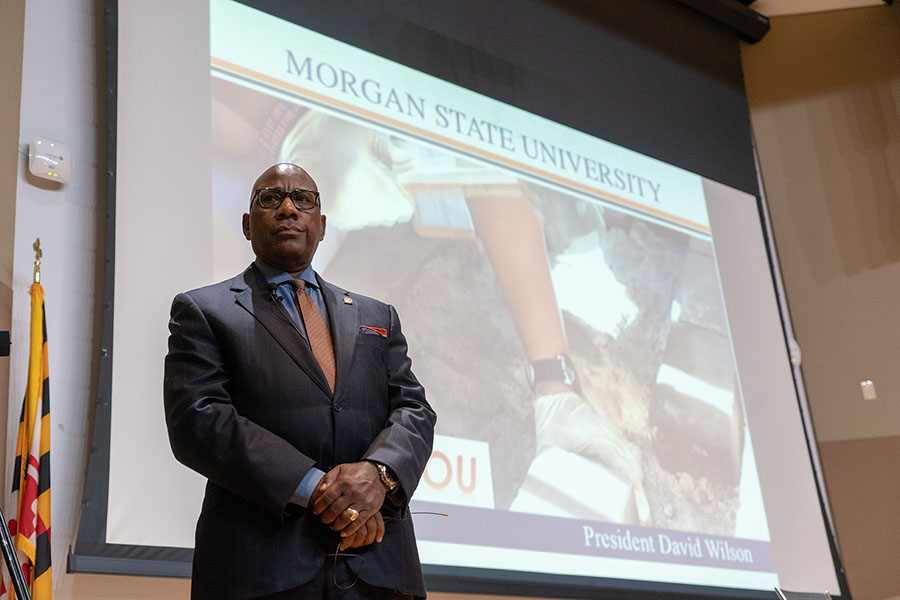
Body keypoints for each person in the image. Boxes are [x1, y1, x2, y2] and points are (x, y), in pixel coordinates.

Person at [164, 163, 436, 600]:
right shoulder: (203, 311)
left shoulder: (376, 316)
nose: (288, 207)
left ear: (322, 225)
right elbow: (199, 420)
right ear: (248, 225)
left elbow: (414, 410)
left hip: (378, 569)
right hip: (259, 570)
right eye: (270, 198)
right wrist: (318, 488)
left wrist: (378, 473)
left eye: (303, 199)